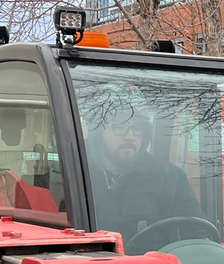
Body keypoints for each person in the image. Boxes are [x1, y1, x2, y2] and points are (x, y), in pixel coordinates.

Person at [84, 99, 205, 244]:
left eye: (137, 128)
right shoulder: (76, 173)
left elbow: (198, 235)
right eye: (119, 126)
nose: (130, 136)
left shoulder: (168, 177)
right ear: (98, 132)